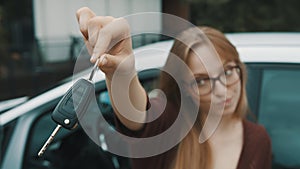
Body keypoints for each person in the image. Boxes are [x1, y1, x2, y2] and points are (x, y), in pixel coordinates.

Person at [76, 7, 272, 169]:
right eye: (201, 81)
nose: (221, 90)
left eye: (228, 72)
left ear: (240, 69)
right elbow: (137, 115)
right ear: (184, 87)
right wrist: (121, 73)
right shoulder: (169, 124)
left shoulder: (257, 139)